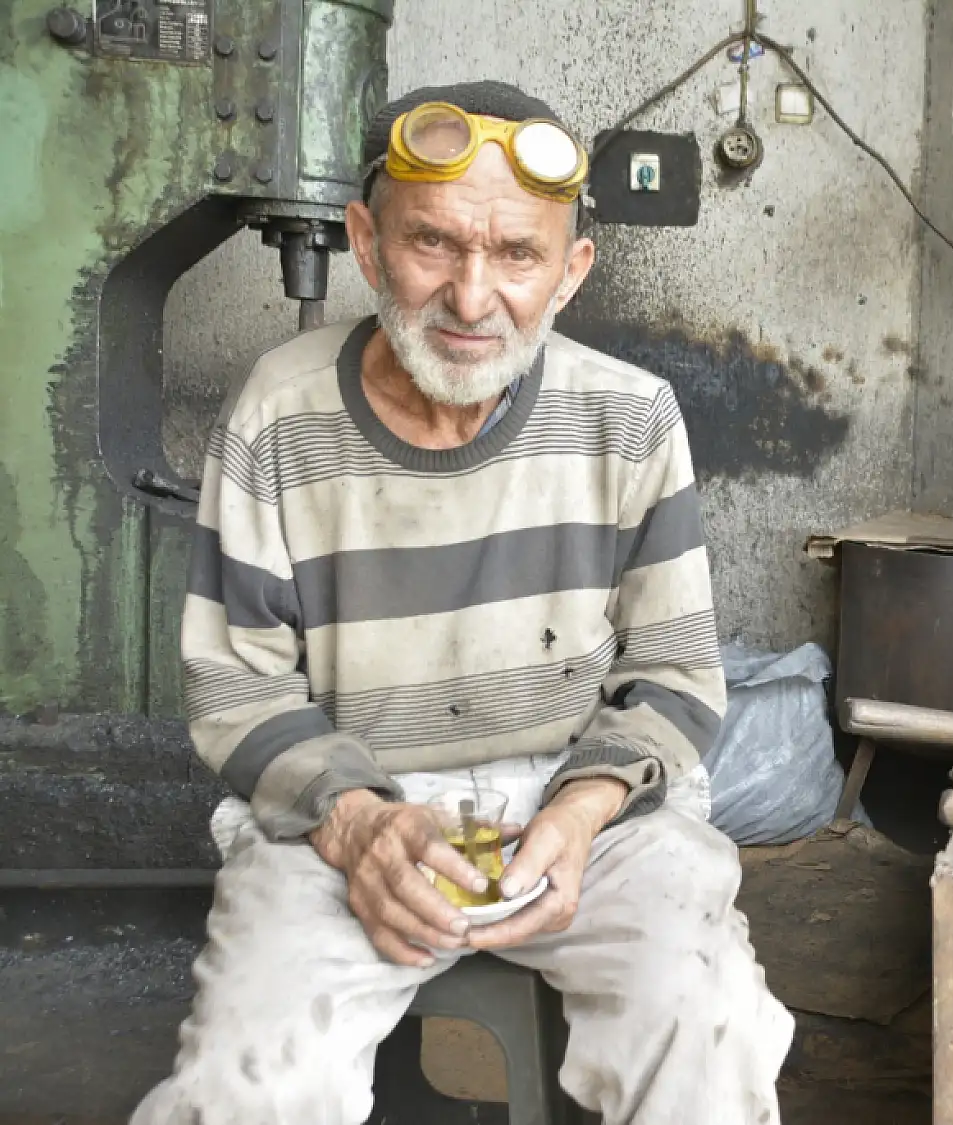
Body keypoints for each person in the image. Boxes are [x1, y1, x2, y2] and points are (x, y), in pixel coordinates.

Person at [130, 80, 792, 1125]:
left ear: (571, 271)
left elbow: (673, 677)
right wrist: (358, 825)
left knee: (707, 1035)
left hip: (587, 819)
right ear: (366, 241)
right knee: (248, 1088)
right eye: (432, 242)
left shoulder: (630, 418)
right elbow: (237, 690)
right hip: (348, 813)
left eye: (518, 255)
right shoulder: (276, 414)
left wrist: (583, 808)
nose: (473, 299)